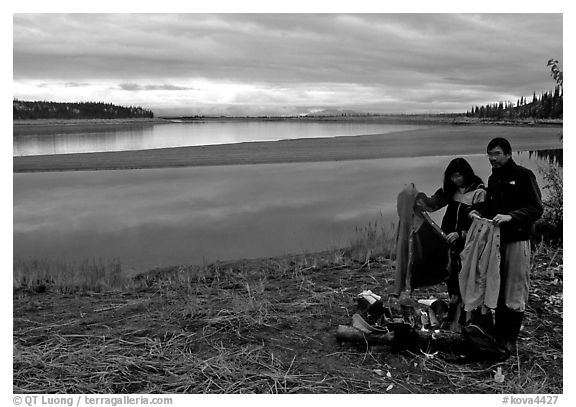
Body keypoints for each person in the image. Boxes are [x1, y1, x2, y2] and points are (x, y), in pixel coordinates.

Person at [469, 137, 543, 355]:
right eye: (490, 154)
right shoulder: (494, 179)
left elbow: (536, 208)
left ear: (509, 154)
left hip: (518, 240)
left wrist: (512, 217)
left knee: (515, 288)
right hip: (497, 241)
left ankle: (509, 340)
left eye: (497, 154)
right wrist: (479, 211)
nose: (492, 158)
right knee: (498, 286)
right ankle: (498, 335)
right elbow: (492, 206)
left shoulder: (523, 176)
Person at [414, 158, 486, 331]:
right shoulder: (450, 190)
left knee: (467, 277)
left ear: (466, 173)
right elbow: (432, 204)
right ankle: (454, 313)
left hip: (468, 243)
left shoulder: (479, 192)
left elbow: (481, 220)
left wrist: (461, 233)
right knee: (452, 277)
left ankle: (467, 317)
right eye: (452, 176)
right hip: (448, 241)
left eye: (458, 176)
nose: (455, 180)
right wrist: (416, 199)